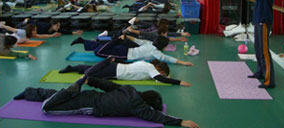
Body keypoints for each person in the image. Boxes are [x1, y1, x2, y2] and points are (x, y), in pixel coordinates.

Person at [13, 77, 199, 128]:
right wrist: (181, 121)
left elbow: (108, 85)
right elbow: (155, 115)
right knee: (47, 109)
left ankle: (30, 91)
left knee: (53, 94)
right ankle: (65, 91)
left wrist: (90, 80)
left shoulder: (130, 90)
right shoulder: (138, 107)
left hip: (89, 94)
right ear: (147, 103)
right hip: (86, 107)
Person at [237, 0, 278, 89]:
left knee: (265, 51)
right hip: (258, 19)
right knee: (258, 48)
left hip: (265, 20)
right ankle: (260, 72)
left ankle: (269, 80)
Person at [59, 57, 191, 86]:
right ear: (159, 69)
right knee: (91, 73)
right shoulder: (151, 69)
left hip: (117, 68)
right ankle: (79, 72)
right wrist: (179, 82)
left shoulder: (146, 63)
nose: (160, 76)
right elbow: (161, 79)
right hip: (116, 71)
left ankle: (73, 68)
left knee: (95, 68)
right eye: (162, 73)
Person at [71, 35, 192, 66]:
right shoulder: (156, 52)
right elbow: (167, 58)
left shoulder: (150, 43)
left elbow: (139, 41)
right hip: (124, 54)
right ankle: (115, 39)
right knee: (98, 51)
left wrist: (128, 37)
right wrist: (182, 62)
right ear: (162, 46)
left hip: (125, 48)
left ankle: (83, 41)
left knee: (101, 46)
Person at [17, 19, 83, 38]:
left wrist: (75, 33)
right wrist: (25, 21)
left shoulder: (54, 30)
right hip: (22, 27)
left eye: (59, 26)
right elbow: (29, 21)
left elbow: (64, 31)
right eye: (57, 25)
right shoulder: (43, 25)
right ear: (53, 25)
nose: (58, 27)